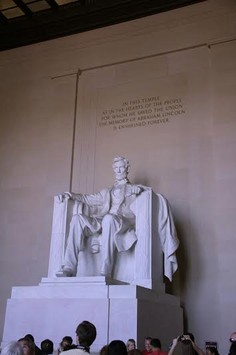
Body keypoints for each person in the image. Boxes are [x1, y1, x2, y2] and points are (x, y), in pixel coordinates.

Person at [58, 156, 143, 277]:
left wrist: (138, 191)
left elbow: (146, 195)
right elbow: (87, 198)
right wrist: (71, 195)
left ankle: (105, 269)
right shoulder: (107, 192)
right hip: (104, 220)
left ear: (127, 169)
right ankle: (69, 267)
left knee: (109, 219)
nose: (118, 171)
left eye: (121, 167)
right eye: (116, 168)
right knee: (77, 219)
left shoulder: (134, 189)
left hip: (122, 222)